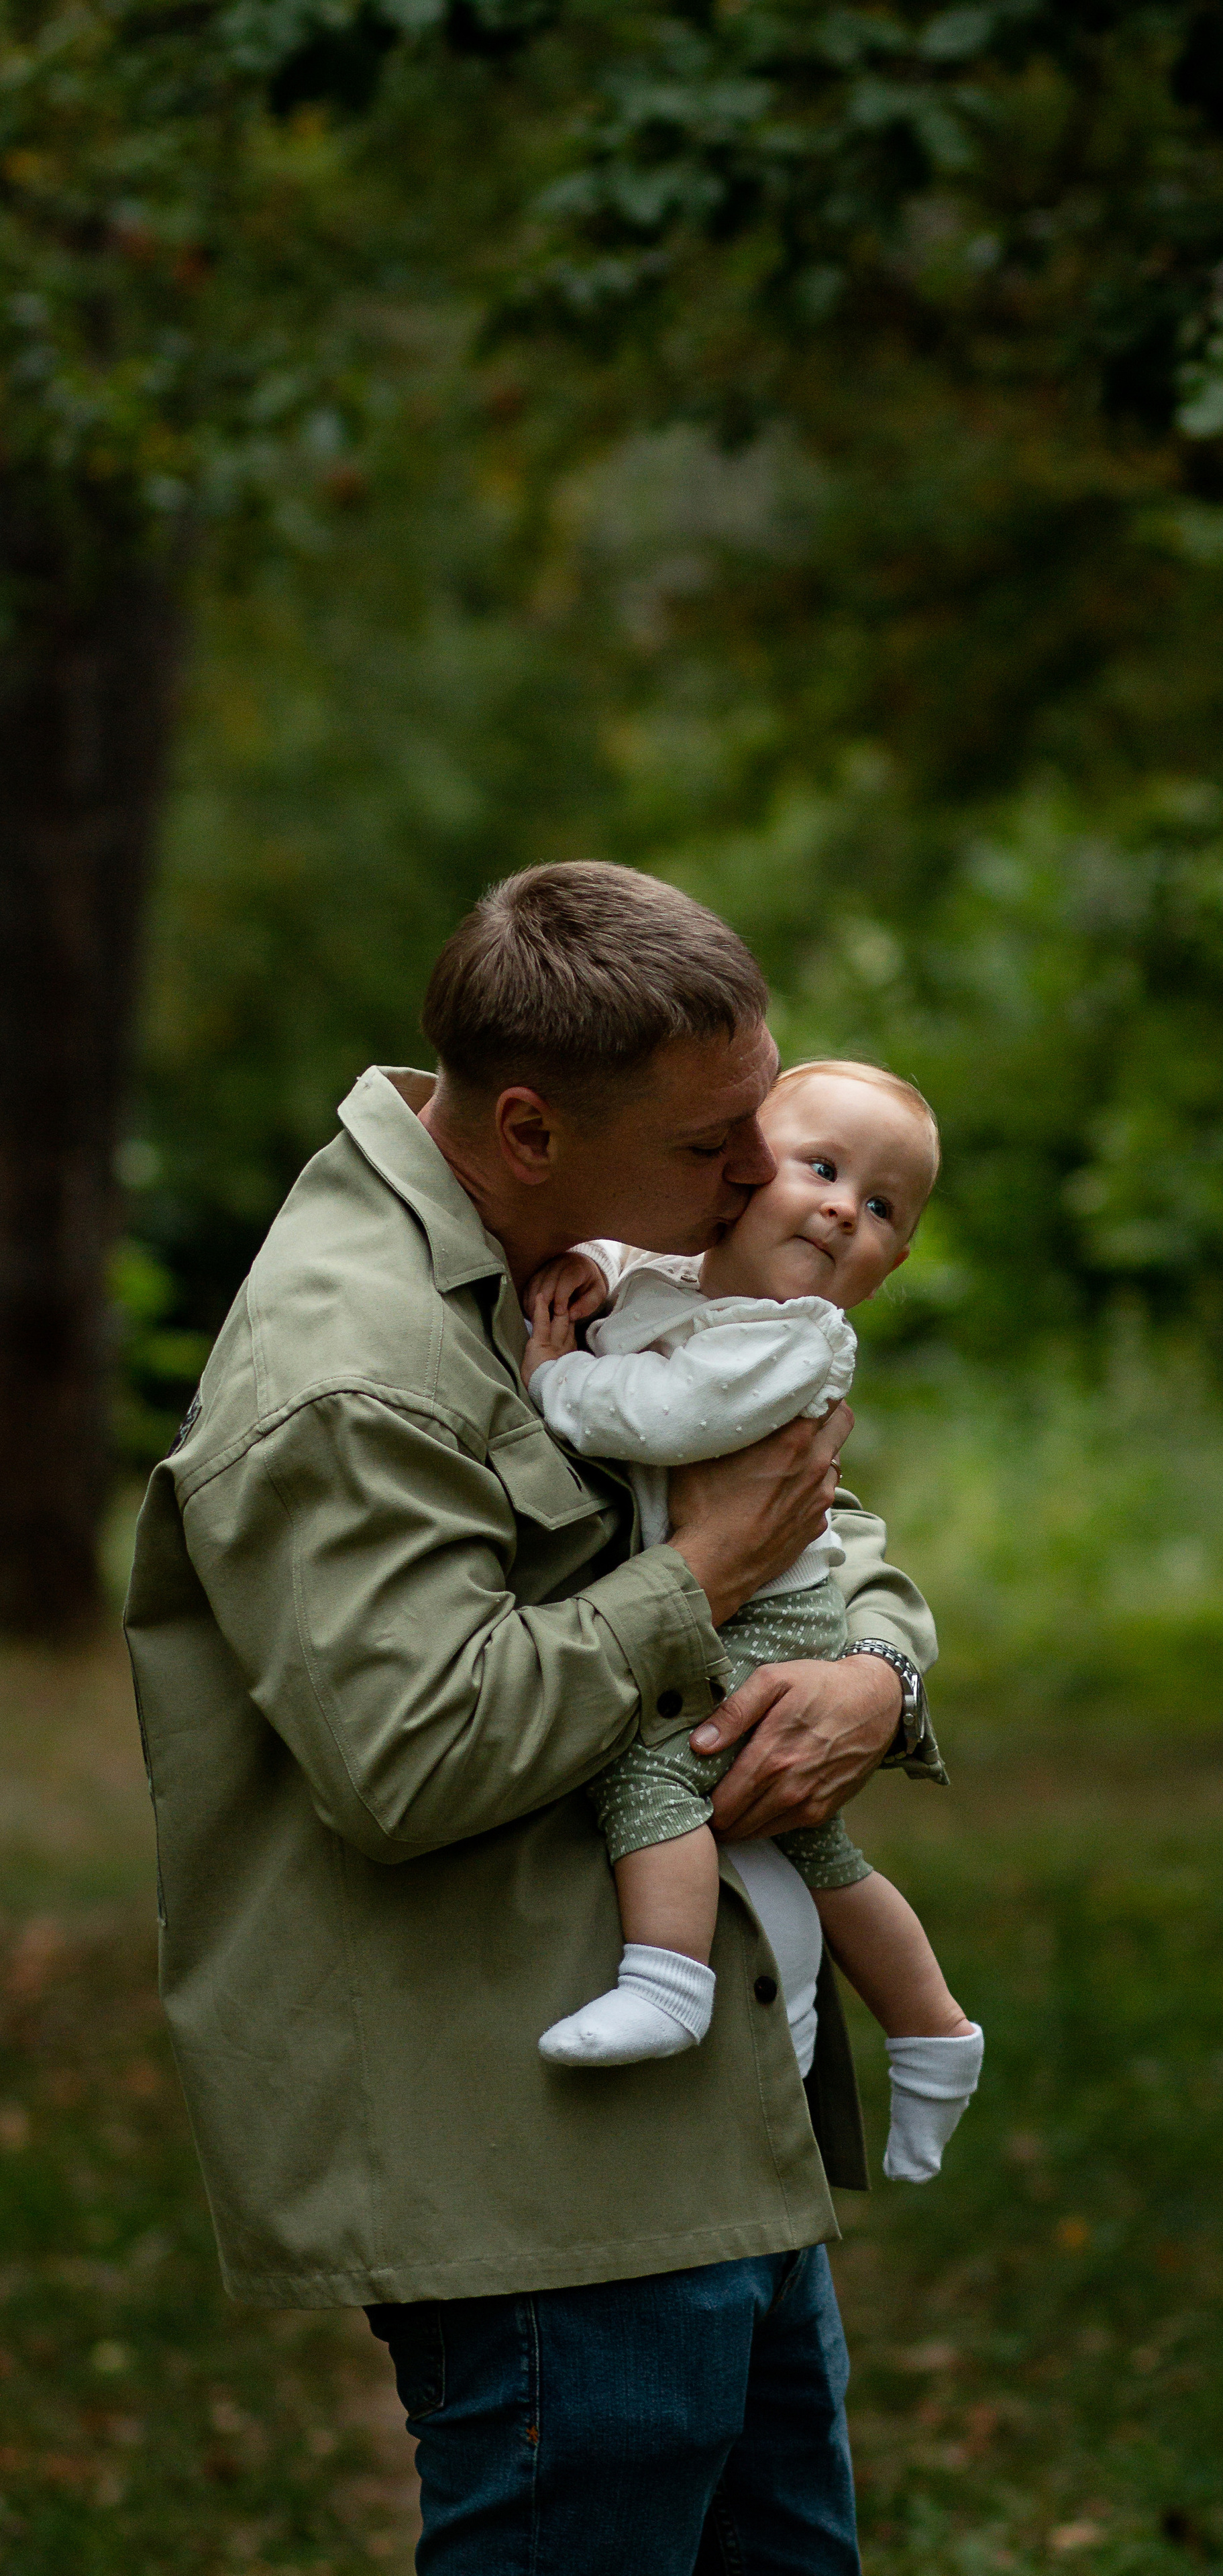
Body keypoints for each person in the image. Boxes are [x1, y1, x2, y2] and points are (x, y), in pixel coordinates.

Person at [123, 862, 942, 2575]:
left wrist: (874, 1666)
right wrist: (702, 1582)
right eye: (715, 1141)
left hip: (706, 2116)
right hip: (535, 2163)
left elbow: (806, 1511)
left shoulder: (582, 1239)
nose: (754, 1175)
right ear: (525, 1125)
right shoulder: (346, 1372)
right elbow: (409, 1759)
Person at [522, 1060, 983, 2186]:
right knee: (823, 1848)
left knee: (652, 1773)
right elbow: (653, 1282)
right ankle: (935, 2036)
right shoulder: (694, 1282)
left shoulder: (792, 1339)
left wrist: (552, 1377)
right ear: (737, 1171)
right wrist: (596, 1261)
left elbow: (664, 1416)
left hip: (771, 1626)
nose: (841, 1209)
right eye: (820, 1169)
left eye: (880, 1208)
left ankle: (668, 1984)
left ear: (894, 1264)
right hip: (746, 1603)